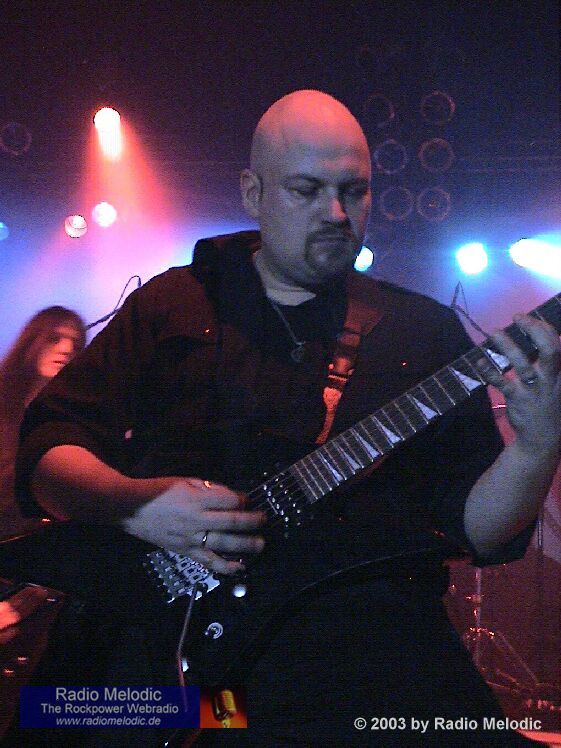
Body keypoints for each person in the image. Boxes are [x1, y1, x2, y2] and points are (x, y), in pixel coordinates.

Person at [11, 91, 561, 747]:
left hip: (363, 660)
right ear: (253, 192)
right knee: (60, 714)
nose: (336, 213)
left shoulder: (423, 330)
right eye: (307, 190)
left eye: (353, 192)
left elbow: (480, 531)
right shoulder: (175, 303)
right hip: (166, 654)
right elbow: (47, 450)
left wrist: (536, 448)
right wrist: (135, 506)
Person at [0, 306, 86, 539]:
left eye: (76, 344)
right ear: (32, 342)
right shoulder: (5, 401)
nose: (66, 349)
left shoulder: (73, 414)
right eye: (54, 339)